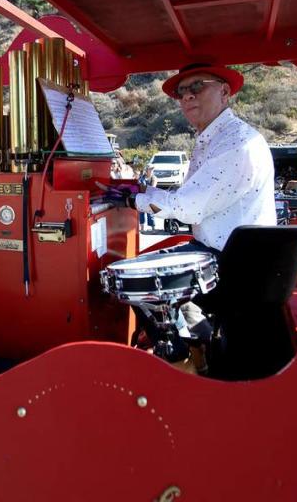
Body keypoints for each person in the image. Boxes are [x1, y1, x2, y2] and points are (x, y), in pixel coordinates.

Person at [99, 63, 276, 357]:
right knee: (141, 269)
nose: (187, 97)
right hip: (229, 253)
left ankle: (181, 360)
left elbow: (185, 207)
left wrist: (133, 200)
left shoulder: (236, 145)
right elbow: (190, 199)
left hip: (235, 264)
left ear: (225, 92)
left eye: (197, 87)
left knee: (134, 279)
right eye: (182, 92)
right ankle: (199, 343)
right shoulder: (215, 137)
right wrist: (142, 192)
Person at [137, 165, 157, 232]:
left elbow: (153, 187)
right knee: (141, 213)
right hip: (142, 197)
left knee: (151, 213)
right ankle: (142, 228)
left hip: (150, 197)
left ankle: (153, 228)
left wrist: (144, 188)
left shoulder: (154, 178)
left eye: (152, 169)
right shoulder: (141, 178)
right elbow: (138, 185)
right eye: (150, 169)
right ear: (146, 170)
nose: (151, 170)